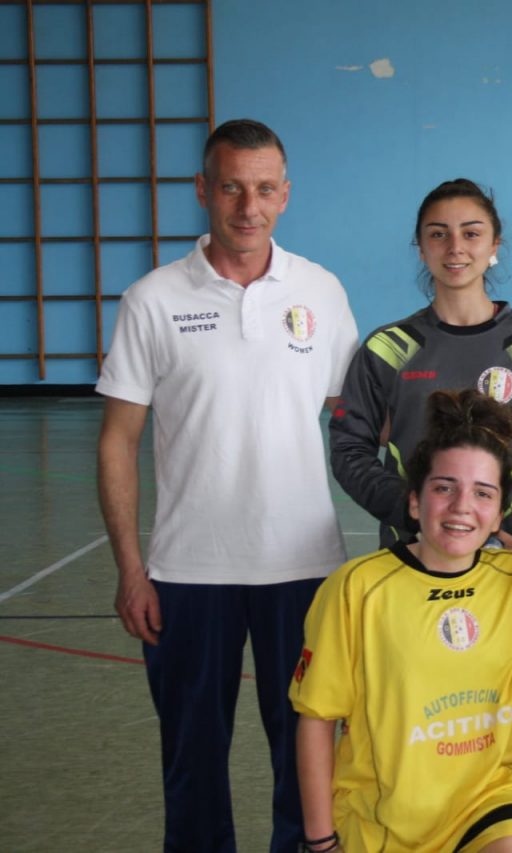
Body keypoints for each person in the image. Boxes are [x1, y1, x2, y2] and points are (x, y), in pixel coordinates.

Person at [96, 118, 359, 852]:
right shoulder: (151, 299)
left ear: (286, 194)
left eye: (266, 188)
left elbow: (360, 423)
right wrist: (129, 568)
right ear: (204, 190)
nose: (250, 205)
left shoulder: (321, 290)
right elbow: (118, 439)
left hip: (305, 570)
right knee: (191, 762)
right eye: (233, 187)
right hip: (187, 574)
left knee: (306, 764)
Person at [291, 389, 512, 853]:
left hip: (492, 803)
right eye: (444, 487)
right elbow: (315, 719)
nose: (461, 506)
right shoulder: (357, 589)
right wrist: (320, 842)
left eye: (483, 493)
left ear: (498, 516)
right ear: (414, 502)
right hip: (382, 819)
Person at [330, 178, 512, 557]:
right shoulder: (388, 348)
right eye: (438, 234)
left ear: (494, 244)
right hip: (413, 554)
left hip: (510, 558)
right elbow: (349, 448)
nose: (455, 248)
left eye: (471, 233)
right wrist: (417, 516)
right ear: (420, 248)